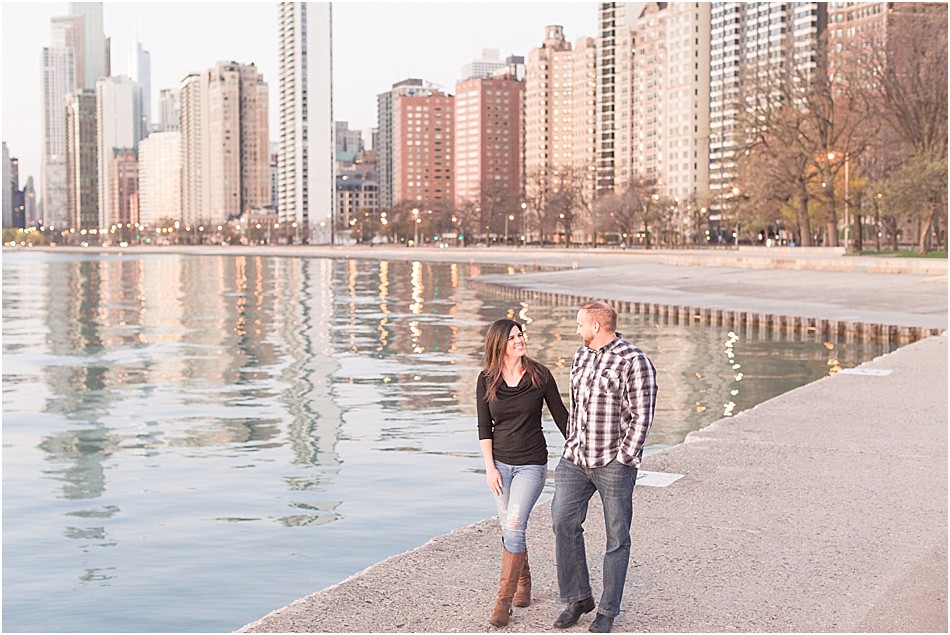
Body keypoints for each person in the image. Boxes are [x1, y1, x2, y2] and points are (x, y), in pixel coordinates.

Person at [551, 301, 658, 633]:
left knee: (617, 537)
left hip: (613, 462)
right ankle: (579, 597)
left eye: (581, 324)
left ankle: (608, 610)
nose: (577, 329)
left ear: (597, 326)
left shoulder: (633, 360)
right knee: (562, 521)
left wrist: (624, 457)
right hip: (576, 459)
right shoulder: (581, 356)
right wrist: (571, 443)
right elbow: (575, 405)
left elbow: (643, 415)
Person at [476, 318, 568, 628]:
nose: (520, 340)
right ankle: (524, 581)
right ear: (499, 344)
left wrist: (585, 449)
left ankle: (503, 603)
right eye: (513, 337)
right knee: (509, 528)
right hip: (500, 464)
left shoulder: (540, 375)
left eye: (520, 335)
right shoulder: (486, 379)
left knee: (514, 523)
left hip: (531, 463)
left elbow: (561, 418)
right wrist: (489, 468)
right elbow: (484, 427)